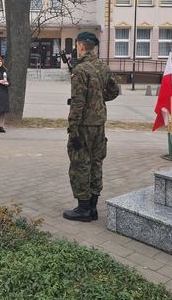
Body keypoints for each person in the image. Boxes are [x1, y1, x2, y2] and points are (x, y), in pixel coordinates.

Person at [63, 32, 119, 222]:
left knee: (80, 164)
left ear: (80, 46)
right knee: (96, 162)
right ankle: (93, 207)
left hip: (84, 125)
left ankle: (83, 208)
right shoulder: (102, 66)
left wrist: (73, 129)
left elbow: (77, 102)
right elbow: (114, 91)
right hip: (99, 123)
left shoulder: (80, 70)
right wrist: (98, 100)